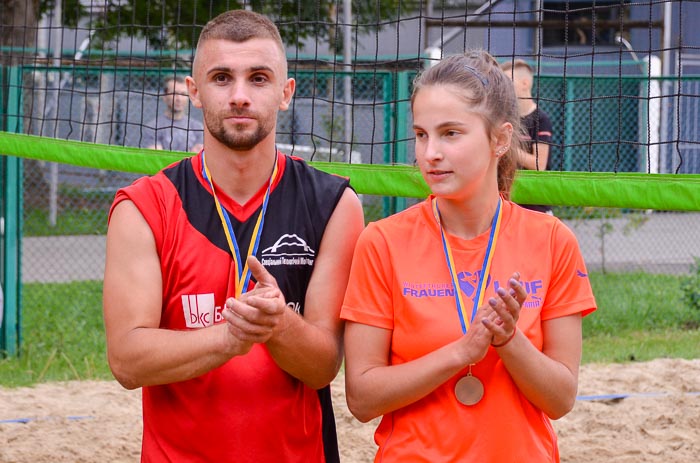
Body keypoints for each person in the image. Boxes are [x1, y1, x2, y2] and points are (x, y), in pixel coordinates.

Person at [103, 9, 364, 463]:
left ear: (285, 94)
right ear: (195, 91)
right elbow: (127, 360)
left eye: (258, 79)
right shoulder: (144, 206)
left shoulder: (335, 203)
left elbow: (323, 367)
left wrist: (278, 324)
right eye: (222, 78)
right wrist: (230, 338)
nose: (240, 96)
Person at [341, 51, 596, 462]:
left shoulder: (552, 240)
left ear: (499, 139)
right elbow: (362, 398)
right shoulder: (382, 241)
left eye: (451, 133)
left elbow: (561, 399)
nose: (430, 153)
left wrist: (510, 340)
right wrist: (462, 352)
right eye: (422, 134)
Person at [500, 58, 555, 214]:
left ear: (524, 83)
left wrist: (508, 148)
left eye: (509, 82)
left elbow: (539, 164)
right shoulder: (504, 118)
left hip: (535, 205)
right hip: (509, 203)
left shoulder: (541, 119)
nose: (505, 88)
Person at [142, 75, 204, 153]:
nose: (179, 98)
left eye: (183, 94)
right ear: (165, 96)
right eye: (174, 93)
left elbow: (197, 159)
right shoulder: (152, 128)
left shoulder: (198, 128)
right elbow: (157, 159)